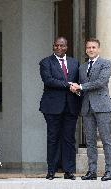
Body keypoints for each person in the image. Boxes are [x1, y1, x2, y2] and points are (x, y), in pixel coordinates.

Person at [70, 38, 111, 181]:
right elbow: (82, 88)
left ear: (98, 49)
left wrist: (80, 86)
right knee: (90, 141)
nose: (91, 50)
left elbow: (101, 82)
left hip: (102, 106)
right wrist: (76, 90)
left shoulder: (105, 64)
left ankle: (109, 171)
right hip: (87, 107)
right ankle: (92, 171)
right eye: (88, 47)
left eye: (93, 47)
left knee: (106, 140)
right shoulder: (82, 67)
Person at [39, 37, 80, 180]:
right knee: (53, 138)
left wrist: (78, 88)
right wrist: (68, 85)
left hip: (71, 106)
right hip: (52, 106)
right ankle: (51, 170)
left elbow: (79, 82)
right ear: (53, 47)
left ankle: (69, 171)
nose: (58, 48)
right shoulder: (45, 62)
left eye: (62, 45)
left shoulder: (75, 62)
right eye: (56, 45)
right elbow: (48, 80)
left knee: (69, 139)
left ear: (66, 47)